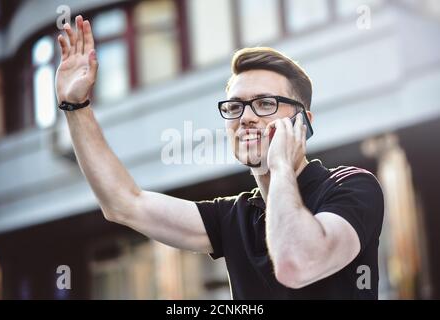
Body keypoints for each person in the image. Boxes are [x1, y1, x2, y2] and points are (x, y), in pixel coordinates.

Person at [55, 15, 384, 299]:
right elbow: (124, 203)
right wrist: (76, 107)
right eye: (235, 107)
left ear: (304, 123)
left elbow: (296, 263)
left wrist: (281, 165)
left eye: (266, 104)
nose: (247, 117)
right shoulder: (234, 217)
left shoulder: (352, 187)